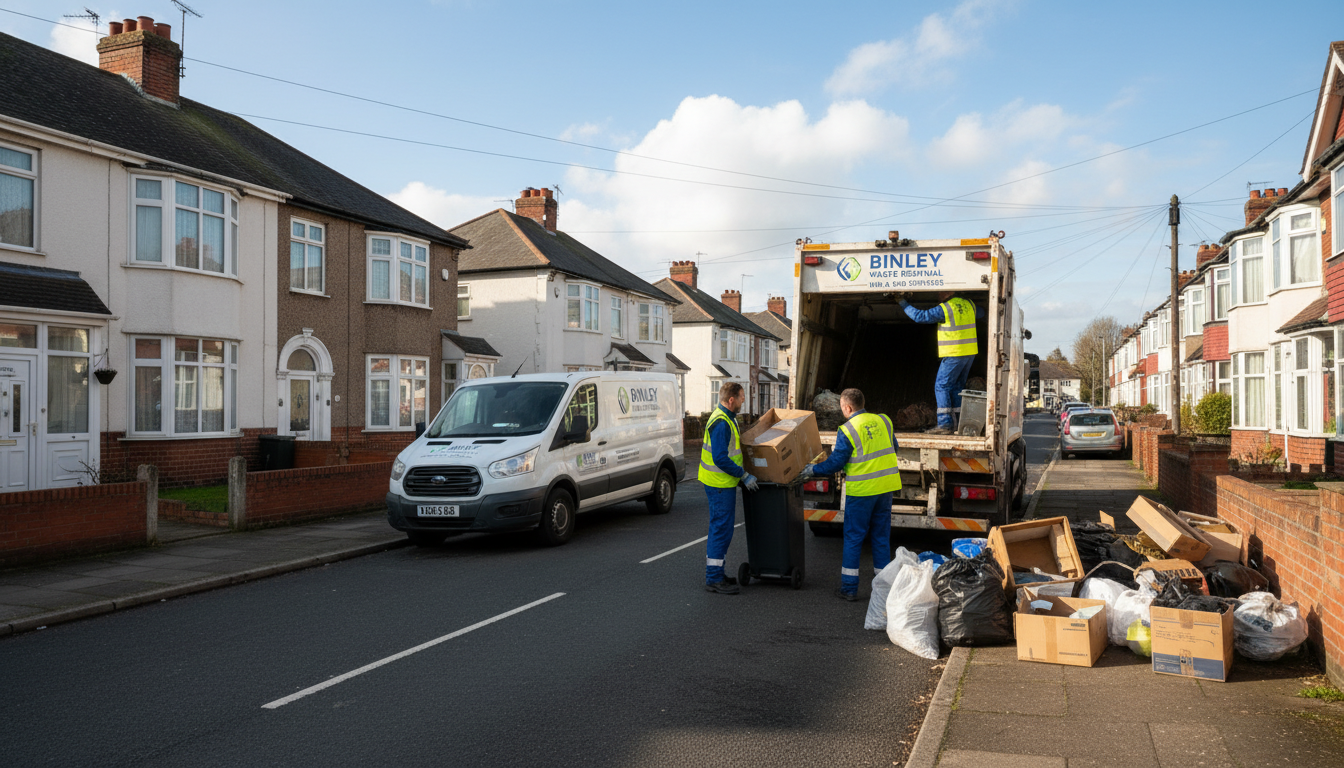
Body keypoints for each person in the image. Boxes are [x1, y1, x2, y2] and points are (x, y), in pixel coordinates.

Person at [798, 388, 901, 601]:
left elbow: (837, 462)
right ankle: (883, 590)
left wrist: (812, 470)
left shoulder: (847, 429)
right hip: (886, 488)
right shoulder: (884, 420)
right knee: (881, 537)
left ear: (847, 407)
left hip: (862, 491)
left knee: (854, 537)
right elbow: (894, 448)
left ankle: (849, 588)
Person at [699, 381, 760, 595]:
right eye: (742, 397)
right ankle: (714, 578)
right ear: (731, 399)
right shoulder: (722, 422)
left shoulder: (727, 418)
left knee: (722, 530)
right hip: (719, 484)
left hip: (722, 484)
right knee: (720, 529)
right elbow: (720, 458)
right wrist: (743, 475)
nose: (744, 400)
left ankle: (717, 573)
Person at [899, 292, 985, 435]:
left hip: (954, 353)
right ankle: (958, 423)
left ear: (949, 292)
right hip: (969, 353)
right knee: (957, 387)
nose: (938, 294)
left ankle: (945, 424)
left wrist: (902, 302)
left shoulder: (946, 308)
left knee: (942, 386)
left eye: (941, 292)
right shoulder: (969, 304)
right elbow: (982, 313)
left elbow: (920, 316)